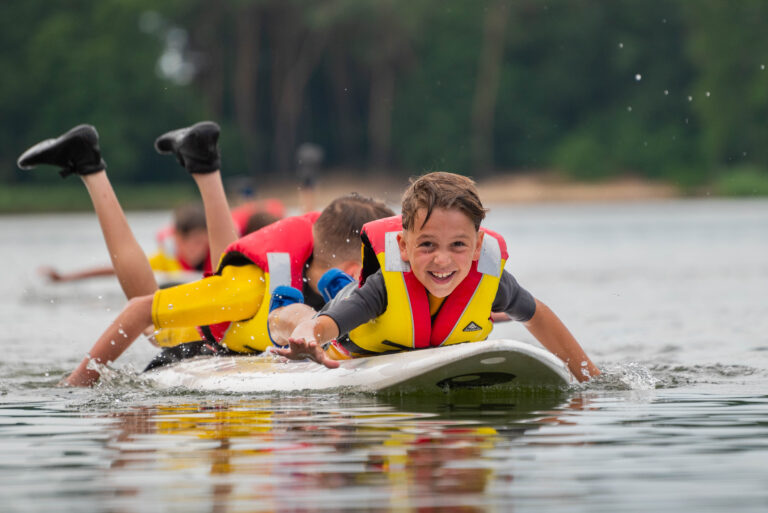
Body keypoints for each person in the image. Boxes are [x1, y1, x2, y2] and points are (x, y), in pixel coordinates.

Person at [17, 122, 393, 387]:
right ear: (353, 268)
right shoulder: (250, 288)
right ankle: (89, 167)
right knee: (153, 326)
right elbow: (137, 311)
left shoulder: (303, 273)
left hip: (238, 315)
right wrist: (79, 383)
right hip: (197, 338)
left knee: (231, 283)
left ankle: (203, 161)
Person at [270, 172, 601, 382]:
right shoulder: (383, 287)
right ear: (403, 245)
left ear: (477, 246)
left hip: (421, 325)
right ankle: (299, 303)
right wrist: (309, 336)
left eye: (458, 245)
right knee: (299, 314)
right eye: (427, 245)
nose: (442, 260)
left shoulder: (492, 281)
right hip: (345, 321)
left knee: (489, 311)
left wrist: (590, 377)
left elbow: (536, 315)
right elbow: (330, 324)